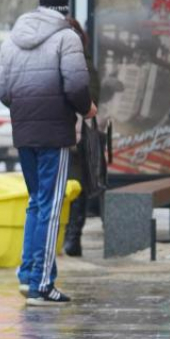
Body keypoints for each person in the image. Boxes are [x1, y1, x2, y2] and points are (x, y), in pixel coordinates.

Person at [0, 0, 96, 306]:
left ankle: (27, 276)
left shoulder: (13, 38)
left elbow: (3, 90)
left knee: (36, 203)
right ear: (64, 11)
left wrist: (26, 109)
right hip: (55, 132)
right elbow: (77, 85)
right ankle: (42, 284)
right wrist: (86, 108)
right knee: (51, 208)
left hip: (24, 131)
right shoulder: (67, 38)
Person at [63, 18, 102, 257]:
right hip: (60, 135)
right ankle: (67, 236)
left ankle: (73, 236)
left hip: (79, 136)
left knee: (77, 187)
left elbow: (93, 98)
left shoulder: (86, 63)